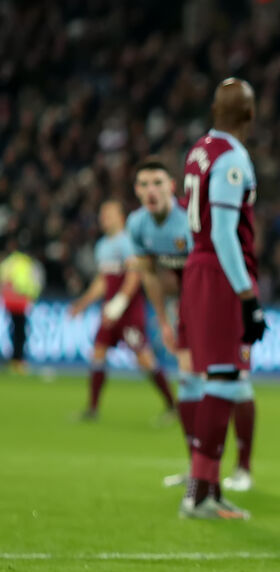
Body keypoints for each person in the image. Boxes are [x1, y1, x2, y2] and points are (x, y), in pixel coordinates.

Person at [127, 157, 258, 492]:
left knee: (237, 382)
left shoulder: (190, 220)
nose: (150, 190)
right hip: (188, 306)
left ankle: (243, 468)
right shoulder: (138, 225)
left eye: (157, 182)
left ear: (172, 186)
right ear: (137, 191)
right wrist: (163, 318)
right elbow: (150, 274)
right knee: (188, 382)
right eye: (143, 184)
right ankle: (197, 468)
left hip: (224, 297)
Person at [177, 77, 265, 520]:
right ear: (250, 115)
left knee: (217, 376)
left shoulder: (199, 149)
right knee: (225, 379)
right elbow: (225, 233)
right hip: (220, 272)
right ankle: (199, 494)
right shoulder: (232, 158)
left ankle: (206, 489)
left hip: (197, 268)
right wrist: (248, 296)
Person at [68, 200, 175, 419]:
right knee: (98, 353)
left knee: (144, 359)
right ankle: (93, 408)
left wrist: (119, 303)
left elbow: (135, 276)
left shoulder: (128, 242)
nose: (104, 218)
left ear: (121, 217)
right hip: (110, 313)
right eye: (102, 214)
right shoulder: (102, 246)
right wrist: (82, 303)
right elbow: (103, 282)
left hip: (128, 314)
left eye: (108, 214)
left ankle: (173, 406)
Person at [0, 237, 44, 374]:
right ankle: (17, 359)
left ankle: (15, 358)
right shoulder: (27, 263)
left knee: (14, 329)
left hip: (9, 301)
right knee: (20, 331)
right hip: (21, 301)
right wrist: (32, 297)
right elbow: (34, 283)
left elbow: (3, 279)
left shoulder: (9, 262)